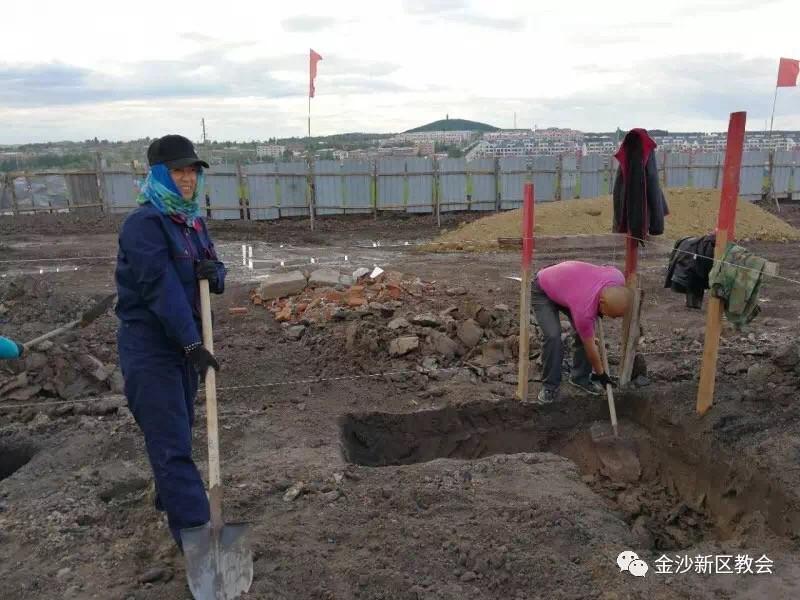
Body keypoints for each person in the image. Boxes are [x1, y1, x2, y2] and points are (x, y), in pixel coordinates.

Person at [115, 134, 226, 549]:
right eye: (178, 171)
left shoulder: (192, 220)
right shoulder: (144, 225)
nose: (187, 179)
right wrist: (191, 344)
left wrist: (215, 273)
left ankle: (169, 499)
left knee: (178, 432)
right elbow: (159, 287)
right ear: (160, 174)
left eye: (192, 171)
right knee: (172, 446)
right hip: (152, 349)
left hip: (184, 346)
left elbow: (210, 269)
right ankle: (199, 541)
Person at [532, 261, 631, 404]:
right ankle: (549, 386)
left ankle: (580, 378)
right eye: (610, 314)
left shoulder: (617, 277)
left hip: (570, 289)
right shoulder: (584, 310)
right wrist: (601, 374)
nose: (612, 318)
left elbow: (604, 268)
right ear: (601, 302)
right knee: (553, 336)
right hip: (543, 289)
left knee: (583, 332)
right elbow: (591, 348)